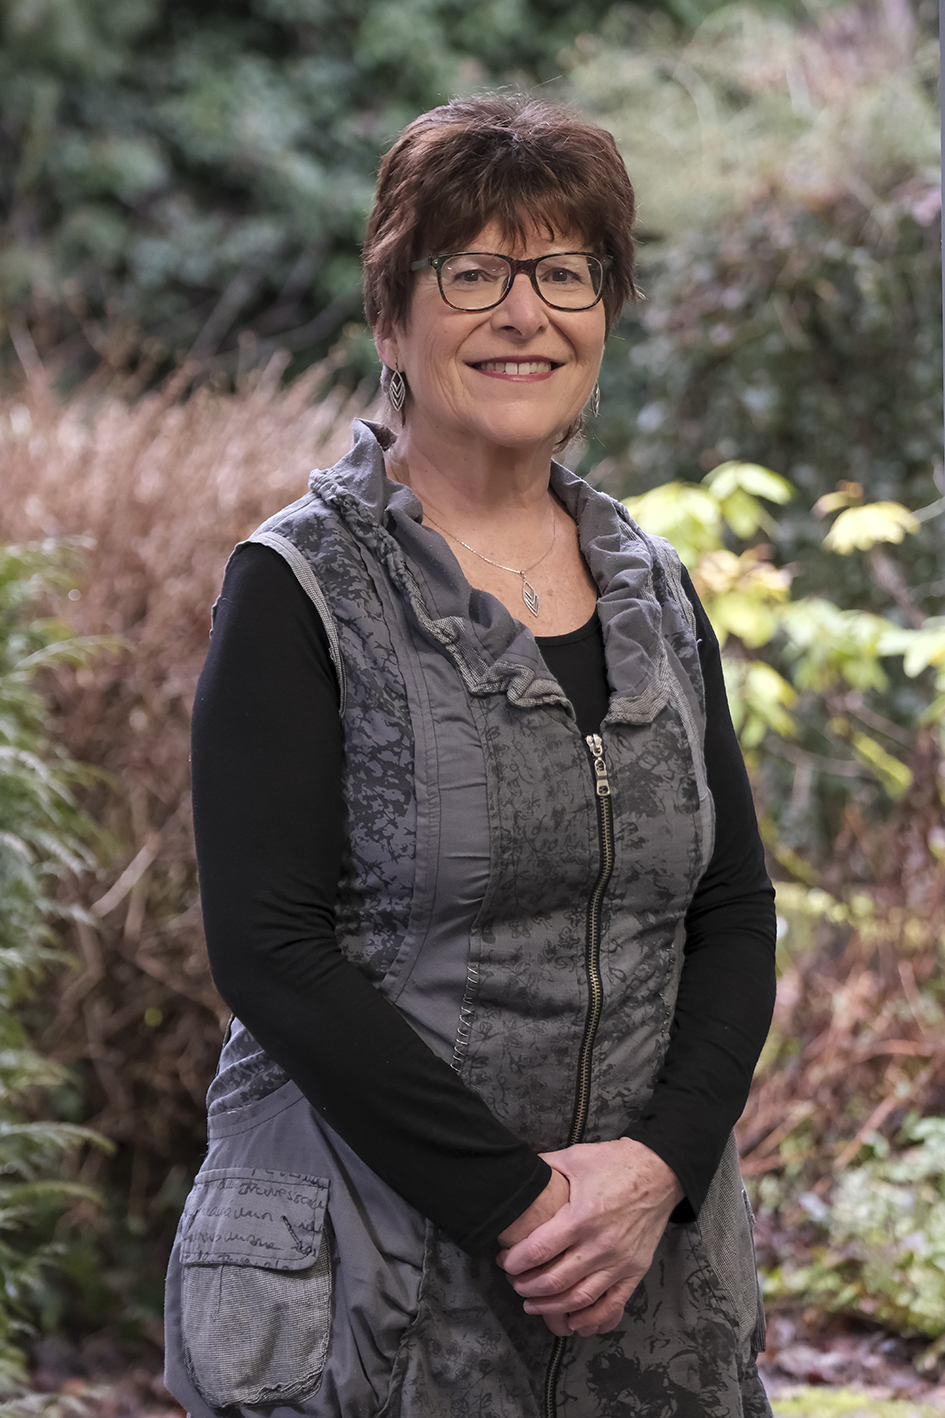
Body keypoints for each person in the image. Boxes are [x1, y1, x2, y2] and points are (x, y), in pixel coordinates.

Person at [163, 94, 777, 1418]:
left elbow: (730, 907)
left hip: (648, 1288)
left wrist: (656, 1171)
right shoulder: (299, 587)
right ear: (392, 319)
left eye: (564, 273)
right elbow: (270, 948)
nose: (524, 313)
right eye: (474, 272)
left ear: (604, 314)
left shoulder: (657, 590)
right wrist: (525, 1206)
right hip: (364, 1288)